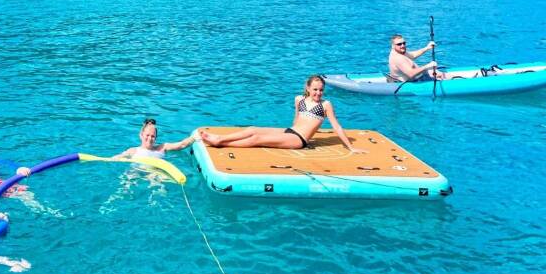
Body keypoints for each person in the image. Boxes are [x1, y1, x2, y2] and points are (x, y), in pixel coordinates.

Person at [199, 75, 364, 153]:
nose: (318, 93)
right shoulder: (299, 99)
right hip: (290, 132)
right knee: (252, 129)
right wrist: (285, 133)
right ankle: (220, 138)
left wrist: (350, 147)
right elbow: (297, 119)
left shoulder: (325, 105)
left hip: (299, 140)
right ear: (308, 88)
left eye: (321, 90)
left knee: (257, 139)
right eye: (315, 89)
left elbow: (336, 126)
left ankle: (220, 143)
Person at [116, 118, 197, 160]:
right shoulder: (133, 151)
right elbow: (118, 157)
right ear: (141, 135)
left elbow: (182, 145)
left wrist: (194, 137)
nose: (150, 138)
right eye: (147, 135)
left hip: (155, 172)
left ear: (156, 138)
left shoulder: (162, 148)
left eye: (152, 136)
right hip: (137, 170)